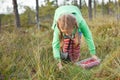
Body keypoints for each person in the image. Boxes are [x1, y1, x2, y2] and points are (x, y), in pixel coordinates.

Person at [51, 5, 99, 70]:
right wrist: (58, 62)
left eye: (68, 32)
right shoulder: (57, 26)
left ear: (74, 26)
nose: (67, 34)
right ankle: (65, 60)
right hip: (59, 14)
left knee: (76, 43)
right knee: (65, 44)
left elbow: (88, 36)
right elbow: (55, 45)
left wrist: (93, 53)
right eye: (64, 32)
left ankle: (75, 61)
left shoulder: (80, 22)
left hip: (75, 19)